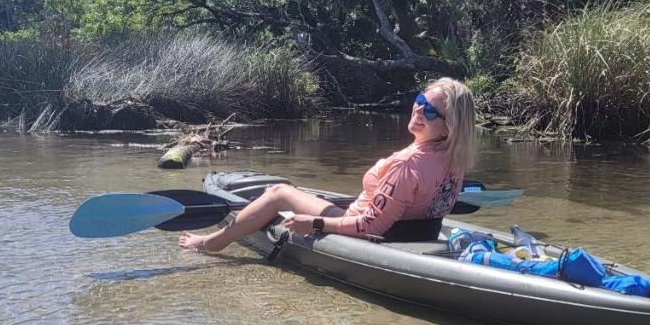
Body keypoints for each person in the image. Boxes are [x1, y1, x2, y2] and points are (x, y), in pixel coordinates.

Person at [179, 77, 477, 252]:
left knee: (279, 192)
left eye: (429, 110)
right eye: (419, 100)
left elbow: (370, 225)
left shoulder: (407, 165)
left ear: (448, 126)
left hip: (368, 231)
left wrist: (316, 223)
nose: (418, 109)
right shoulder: (455, 159)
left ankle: (212, 243)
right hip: (418, 233)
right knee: (300, 195)